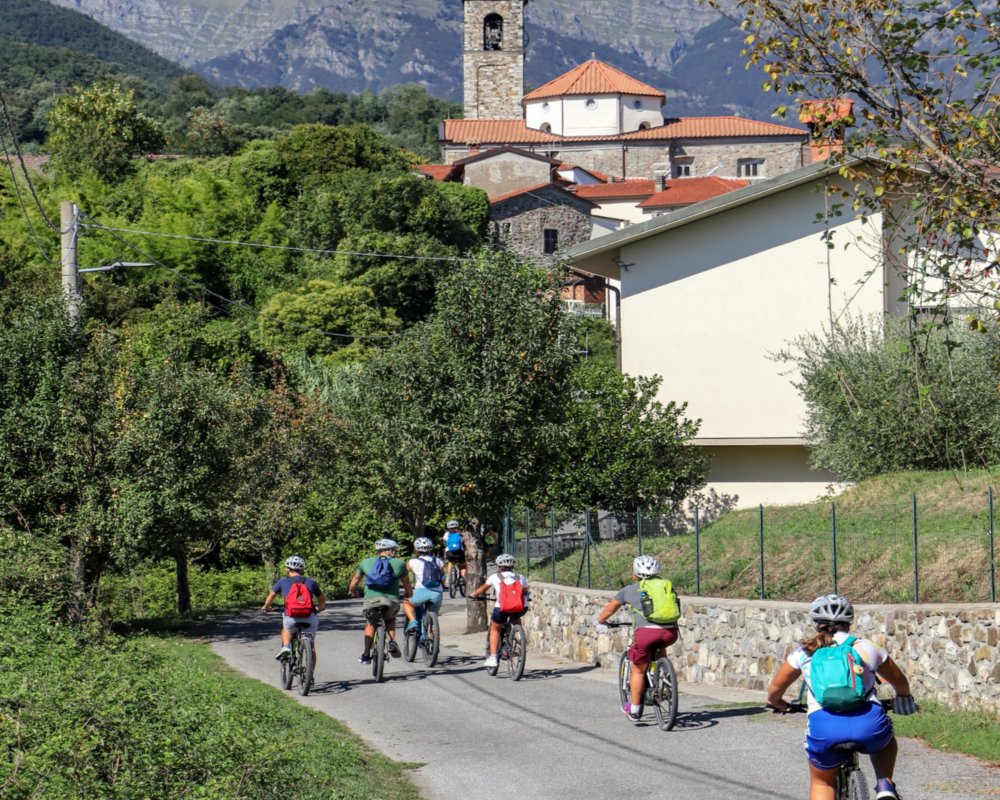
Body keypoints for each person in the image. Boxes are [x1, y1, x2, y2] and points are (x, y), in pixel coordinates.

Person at [766, 594, 918, 800]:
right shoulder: (867, 647)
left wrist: (779, 704)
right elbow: (900, 681)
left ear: (816, 623)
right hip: (869, 724)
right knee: (886, 738)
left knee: (823, 782)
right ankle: (885, 786)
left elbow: (775, 690)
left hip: (824, 727)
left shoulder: (805, 651)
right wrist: (903, 697)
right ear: (849, 622)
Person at [595, 554, 680, 723]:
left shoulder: (629, 590)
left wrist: (601, 621)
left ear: (635, 574)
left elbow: (610, 609)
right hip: (670, 632)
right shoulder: (665, 586)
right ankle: (664, 676)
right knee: (660, 649)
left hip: (646, 634)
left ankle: (634, 710)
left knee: (638, 669)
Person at [348, 538, 412, 665]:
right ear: (388, 550)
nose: (394, 552)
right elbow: (406, 584)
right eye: (393, 549)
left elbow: (355, 580)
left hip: (371, 601)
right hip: (391, 601)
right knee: (390, 619)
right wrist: (409, 594)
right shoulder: (399, 563)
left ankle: (366, 654)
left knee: (371, 623)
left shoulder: (366, 562)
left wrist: (352, 591)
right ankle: (392, 642)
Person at [261, 555, 326, 664]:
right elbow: (321, 599)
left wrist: (267, 607)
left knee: (286, 629)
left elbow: (271, 597)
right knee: (311, 647)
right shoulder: (310, 582)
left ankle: (286, 646)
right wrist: (320, 608)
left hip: (291, 616)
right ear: (302, 569)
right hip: (309, 616)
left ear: (287, 568)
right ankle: (310, 678)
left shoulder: (282, 581)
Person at [468, 553, 529, 669]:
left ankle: (493, 657)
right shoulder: (520, 577)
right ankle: (520, 640)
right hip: (520, 607)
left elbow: (482, 589)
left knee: (495, 629)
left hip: (502, 608)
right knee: (515, 618)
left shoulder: (495, 577)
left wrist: (473, 595)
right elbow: (525, 591)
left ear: (498, 566)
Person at [402, 536, 446, 632]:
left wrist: (407, 587)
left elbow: (403, 575)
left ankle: (413, 621)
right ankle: (433, 635)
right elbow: (443, 577)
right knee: (433, 614)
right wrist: (444, 586)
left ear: (415, 549)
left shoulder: (412, 562)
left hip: (420, 592)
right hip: (437, 593)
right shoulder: (438, 561)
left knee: (406, 602)